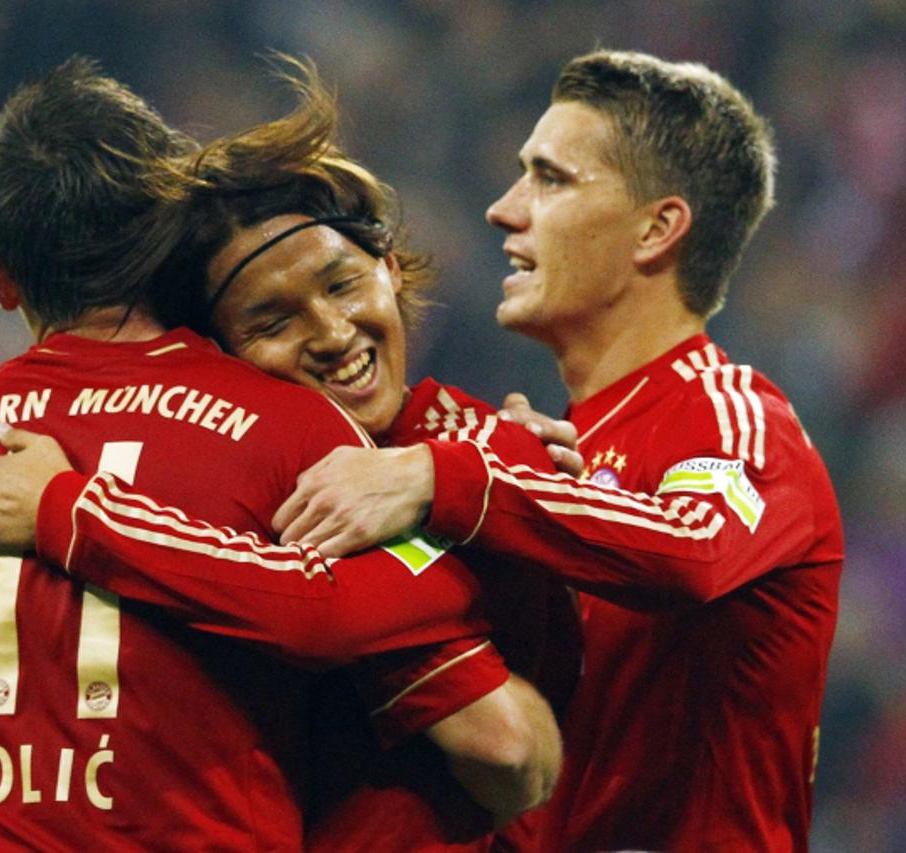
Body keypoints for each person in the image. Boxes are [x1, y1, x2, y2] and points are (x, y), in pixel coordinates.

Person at [0, 60, 582, 850]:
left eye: (340, 284)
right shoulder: (297, 436)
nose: (333, 333)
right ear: (165, 239)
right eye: (273, 317)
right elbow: (507, 748)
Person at [268, 50, 845, 851]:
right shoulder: (562, 457)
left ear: (656, 229)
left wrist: (446, 477)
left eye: (550, 179)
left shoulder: (733, 413)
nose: (504, 210)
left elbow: (695, 546)